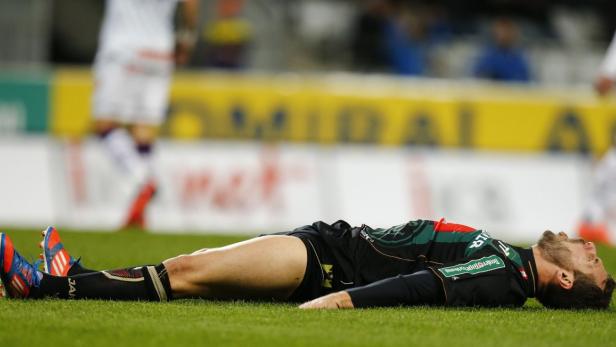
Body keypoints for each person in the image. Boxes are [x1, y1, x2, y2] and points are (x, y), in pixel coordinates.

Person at [1, 219, 613, 309]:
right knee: (194, 269)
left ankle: (42, 287)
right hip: (327, 248)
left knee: (188, 271)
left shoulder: (503, 277)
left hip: (323, 264)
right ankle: (69, 273)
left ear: (563, 279)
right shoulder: (509, 257)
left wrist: (341, 300)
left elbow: (423, 284)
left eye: (590, 263)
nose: (589, 247)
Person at [92, 0, 199, 228]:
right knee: (144, 129)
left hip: (123, 49)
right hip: (160, 51)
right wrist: (186, 39)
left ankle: (144, 180)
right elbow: (190, 4)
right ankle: (140, 211)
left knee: (104, 124)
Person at [472, 18, 531, 82]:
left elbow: (524, 81)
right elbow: (478, 76)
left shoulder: (518, 58)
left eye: (506, 31)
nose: (503, 35)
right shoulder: (488, 55)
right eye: (500, 31)